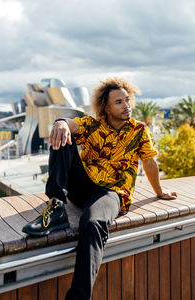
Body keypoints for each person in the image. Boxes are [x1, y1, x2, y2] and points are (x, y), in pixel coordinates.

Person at [22, 78, 177, 300]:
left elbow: (150, 163)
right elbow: (73, 123)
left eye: (127, 100)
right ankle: (56, 205)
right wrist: (61, 122)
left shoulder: (139, 131)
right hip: (82, 185)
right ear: (106, 107)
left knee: (93, 223)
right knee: (62, 135)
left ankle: (79, 297)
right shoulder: (94, 124)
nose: (126, 106)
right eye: (119, 102)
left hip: (111, 193)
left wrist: (159, 192)